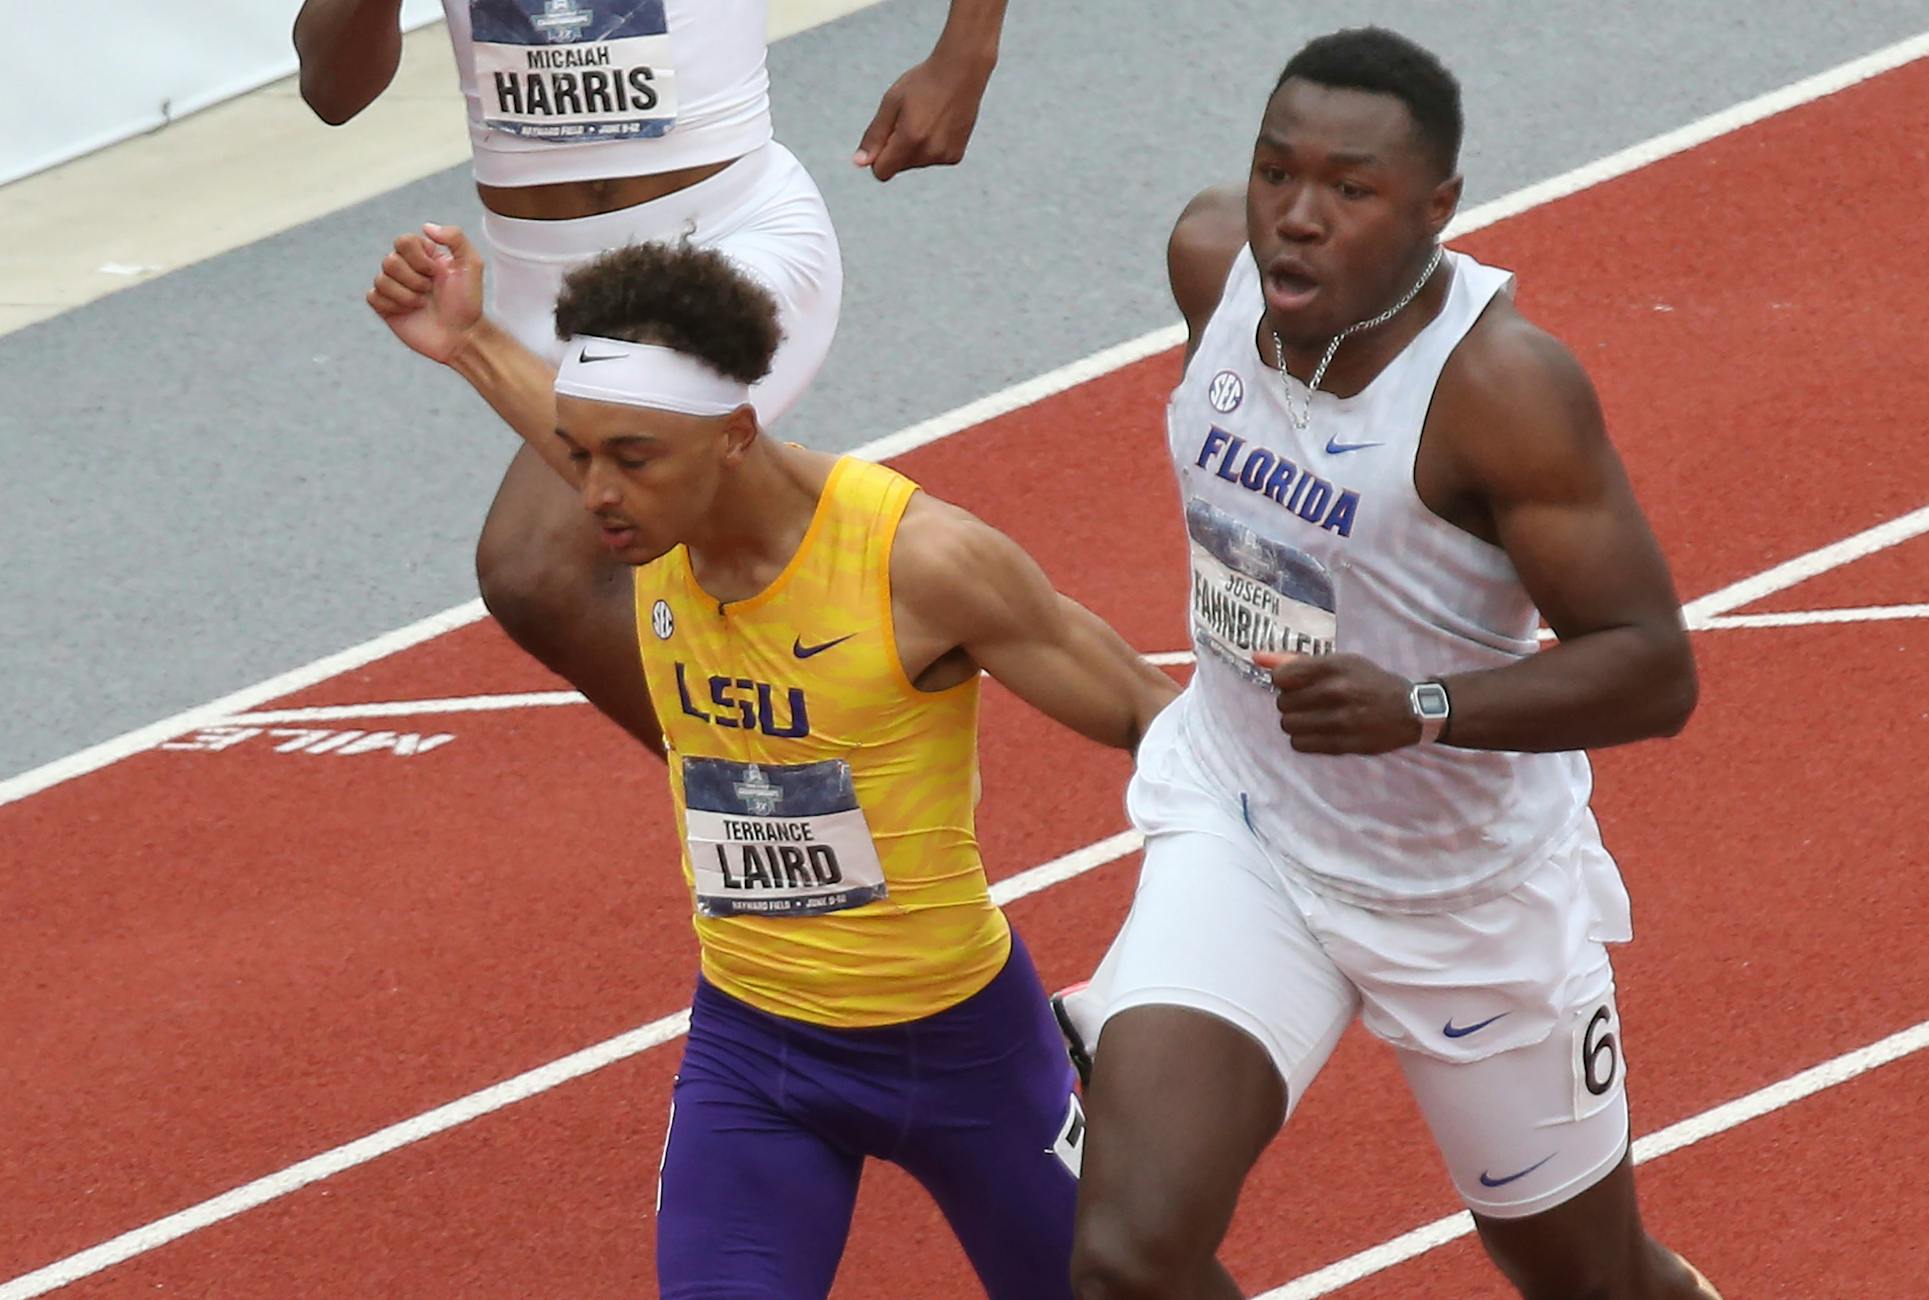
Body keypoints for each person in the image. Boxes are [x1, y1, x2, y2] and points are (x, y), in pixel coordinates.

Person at [365, 227, 1180, 1298]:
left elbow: (1155, 719)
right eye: (581, 453)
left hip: (966, 1052)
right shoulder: (646, 511)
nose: (593, 492)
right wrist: (468, 340)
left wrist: (1161, 979)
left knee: (1131, 1285)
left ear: (737, 434)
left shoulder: (920, 564)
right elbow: (602, 439)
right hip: (755, 1053)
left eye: (629, 460)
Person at [1053, 27, 1722, 1300]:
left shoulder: (1501, 391)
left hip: (1458, 892)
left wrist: (1423, 707)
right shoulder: (1213, 266)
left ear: (1437, 208)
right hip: (1246, 829)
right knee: (1126, 1261)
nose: (1296, 219)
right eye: (1274, 173)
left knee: (1592, 1283)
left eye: (1349, 191)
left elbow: (1652, 669)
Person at [295, 0, 1009, 754]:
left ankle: (793, 804)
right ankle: (791, 816)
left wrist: (967, 51)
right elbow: (332, 91)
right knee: (672, 550)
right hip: (549, 292)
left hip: (721, 245)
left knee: (540, 569)